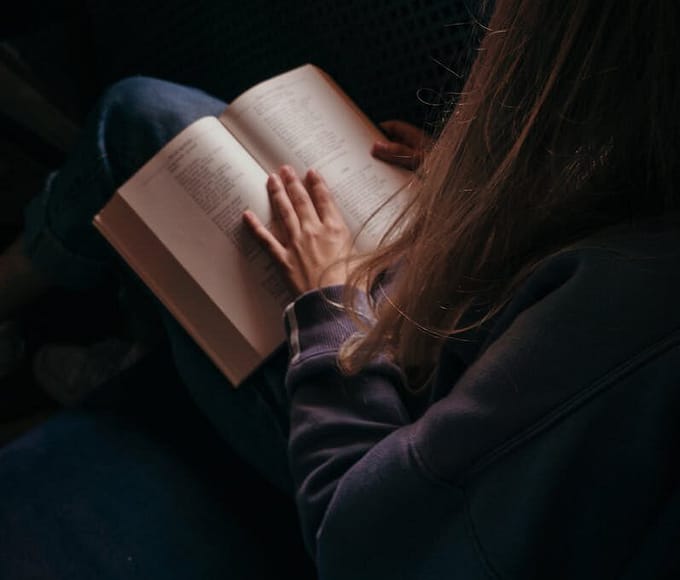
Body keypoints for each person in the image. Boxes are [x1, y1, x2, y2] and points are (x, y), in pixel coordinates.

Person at [1, 0, 679, 578]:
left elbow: (364, 537)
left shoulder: (632, 328)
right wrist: (479, 197)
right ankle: (137, 328)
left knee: (137, 121)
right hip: (434, 330)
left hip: (370, 401)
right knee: (175, 134)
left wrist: (332, 300)